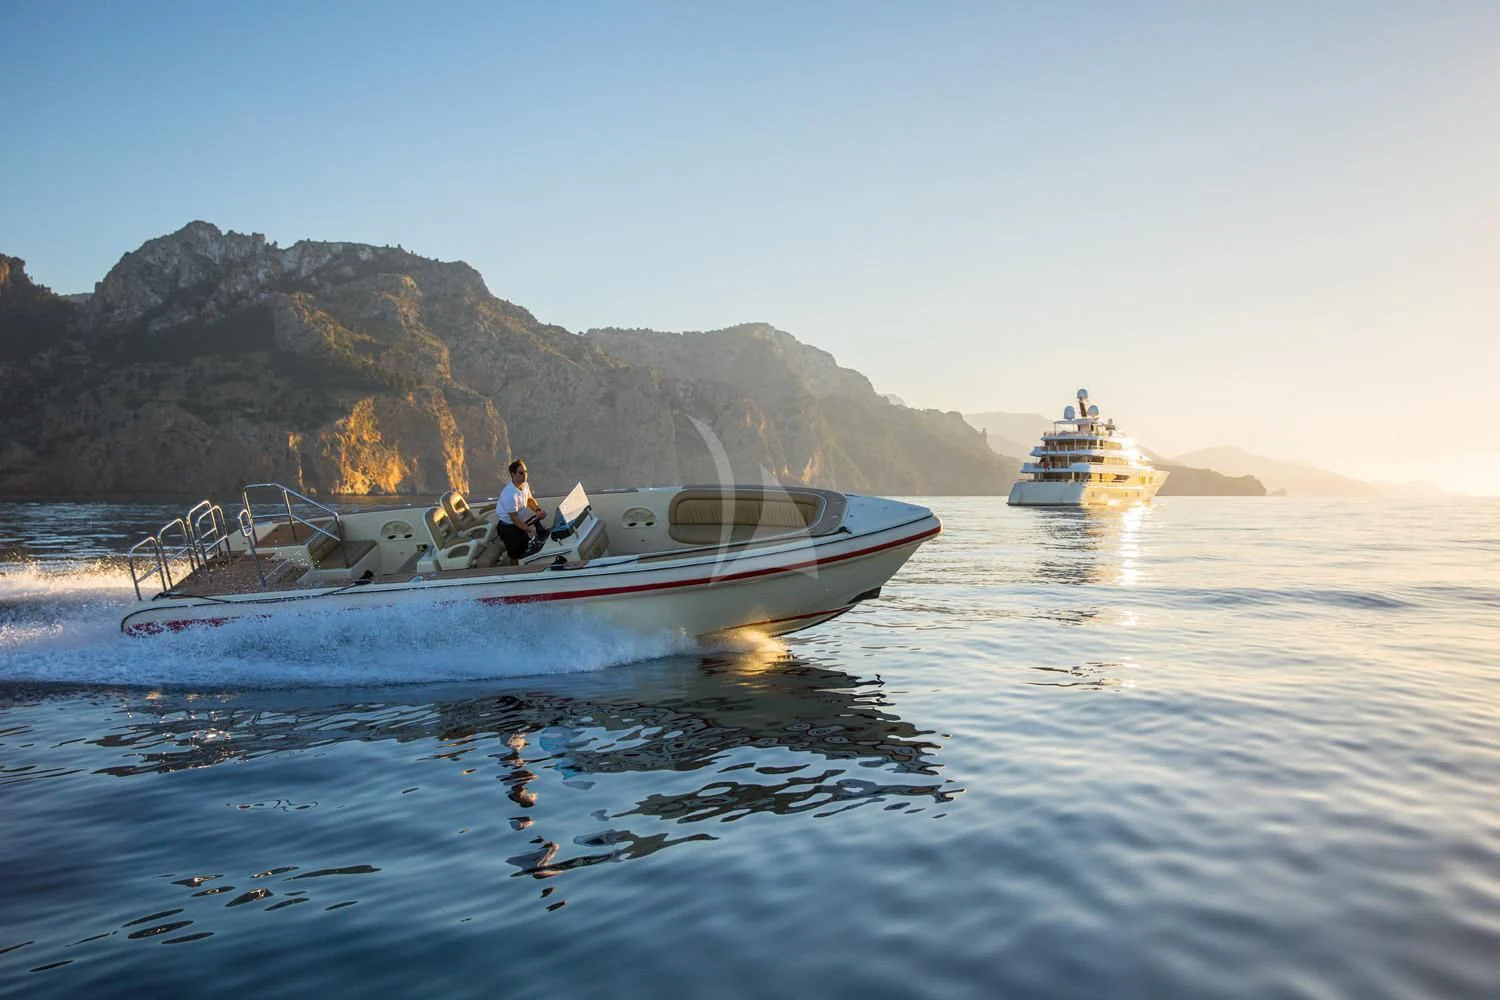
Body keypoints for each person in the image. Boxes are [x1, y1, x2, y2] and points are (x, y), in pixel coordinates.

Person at [497, 458, 549, 560]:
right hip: (507, 528)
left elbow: (529, 500)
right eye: (521, 473)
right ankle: (514, 571)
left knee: (527, 547)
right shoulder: (510, 494)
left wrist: (538, 510)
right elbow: (515, 519)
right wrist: (528, 529)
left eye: (525, 472)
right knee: (517, 554)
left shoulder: (525, 485)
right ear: (513, 474)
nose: (524, 475)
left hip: (517, 524)